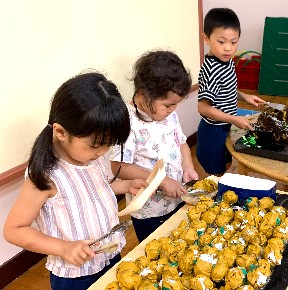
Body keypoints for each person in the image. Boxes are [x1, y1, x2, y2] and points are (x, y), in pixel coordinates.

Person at [3, 72, 148, 290]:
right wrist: (64, 248)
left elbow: (95, 188)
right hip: (76, 276)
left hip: (109, 257)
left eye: (108, 145)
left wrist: (126, 186)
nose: (102, 152)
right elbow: (14, 229)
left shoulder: (93, 157)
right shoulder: (45, 175)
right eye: (96, 145)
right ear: (60, 131)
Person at [110, 50, 197, 242]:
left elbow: (181, 141)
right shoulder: (127, 121)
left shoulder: (169, 113)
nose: (173, 109)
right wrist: (162, 181)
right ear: (143, 94)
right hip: (150, 210)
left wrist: (188, 166)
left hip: (176, 198)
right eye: (167, 105)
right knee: (157, 251)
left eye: (175, 105)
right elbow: (119, 167)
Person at [196, 7, 266, 175]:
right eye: (221, 42)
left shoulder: (225, 62)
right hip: (213, 131)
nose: (228, 48)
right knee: (216, 173)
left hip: (225, 125)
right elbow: (203, 108)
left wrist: (244, 96)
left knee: (226, 164)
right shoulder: (211, 68)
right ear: (206, 38)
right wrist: (234, 119)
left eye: (233, 42)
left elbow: (226, 87)